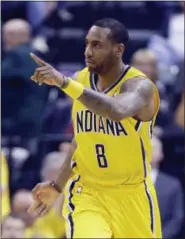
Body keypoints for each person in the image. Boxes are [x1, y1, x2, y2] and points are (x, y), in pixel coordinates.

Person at [28, 18, 162, 238]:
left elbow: (117, 110)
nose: (88, 51)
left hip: (133, 194)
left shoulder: (140, 86)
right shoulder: (81, 80)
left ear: (118, 50)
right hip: (88, 193)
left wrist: (65, 83)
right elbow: (80, 140)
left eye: (97, 45)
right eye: (87, 44)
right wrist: (58, 185)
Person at [151, 135, 184, 238]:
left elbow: (178, 217)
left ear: (160, 155)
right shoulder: (125, 183)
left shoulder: (173, 185)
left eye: (152, 149)